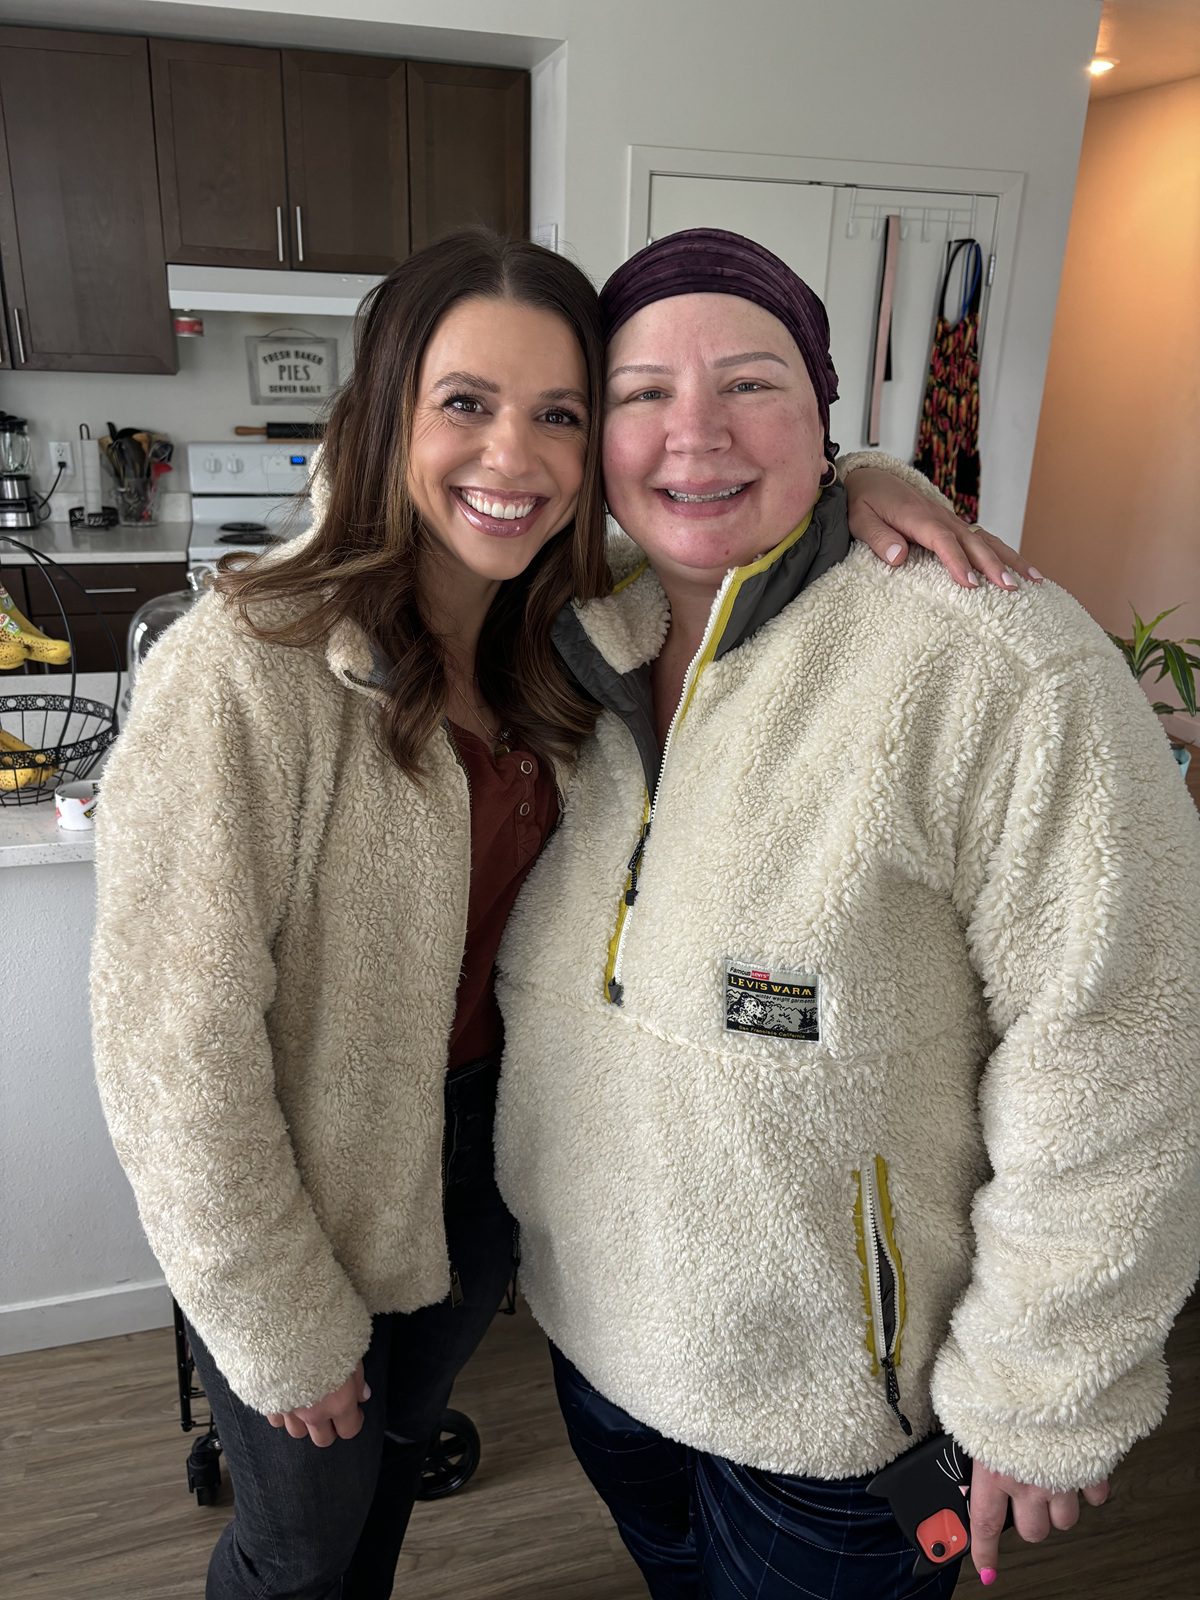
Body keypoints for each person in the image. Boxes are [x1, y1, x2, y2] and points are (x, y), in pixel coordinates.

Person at [91, 226, 1033, 1600]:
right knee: (301, 1552)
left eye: (560, 416)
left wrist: (863, 473)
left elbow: (732, 505)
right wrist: (275, 1318)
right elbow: (168, 1052)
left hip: (480, 1176)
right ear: (383, 415)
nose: (512, 458)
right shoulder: (248, 669)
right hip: (307, 1197)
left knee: (383, 1509)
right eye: (465, 404)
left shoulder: (577, 627)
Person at [492, 229, 1200, 1599]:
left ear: (823, 414)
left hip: (834, 1422)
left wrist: (1050, 1383)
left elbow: (1127, 1034)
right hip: (601, 1347)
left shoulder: (997, 659)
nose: (692, 431)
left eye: (749, 381)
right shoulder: (578, 639)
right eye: (640, 392)